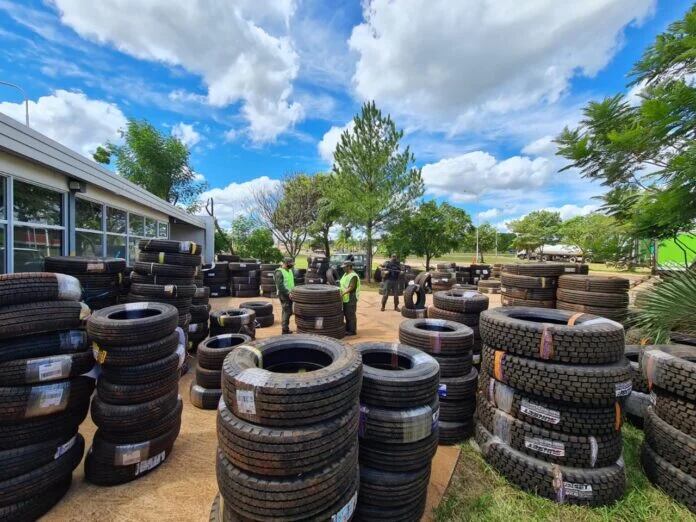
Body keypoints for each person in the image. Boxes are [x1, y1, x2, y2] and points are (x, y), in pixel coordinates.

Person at [274, 258, 295, 334]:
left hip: (290, 294)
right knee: (287, 311)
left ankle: (285, 327)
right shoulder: (279, 272)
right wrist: (288, 293)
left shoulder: (289, 271)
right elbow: (280, 286)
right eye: (290, 264)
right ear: (285, 263)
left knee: (286, 311)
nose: (292, 266)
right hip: (284, 294)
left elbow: (291, 282)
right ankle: (285, 330)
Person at [339, 260, 360, 336]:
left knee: (350, 314)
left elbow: (351, 287)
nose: (343, 268)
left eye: (344, 267)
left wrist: (343, 293)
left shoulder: (353, 276)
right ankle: (348, 329)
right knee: (346, 313)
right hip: (345, 297)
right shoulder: (345, 274)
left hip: (351, 298)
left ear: (349, 267)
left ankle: (352, 331)